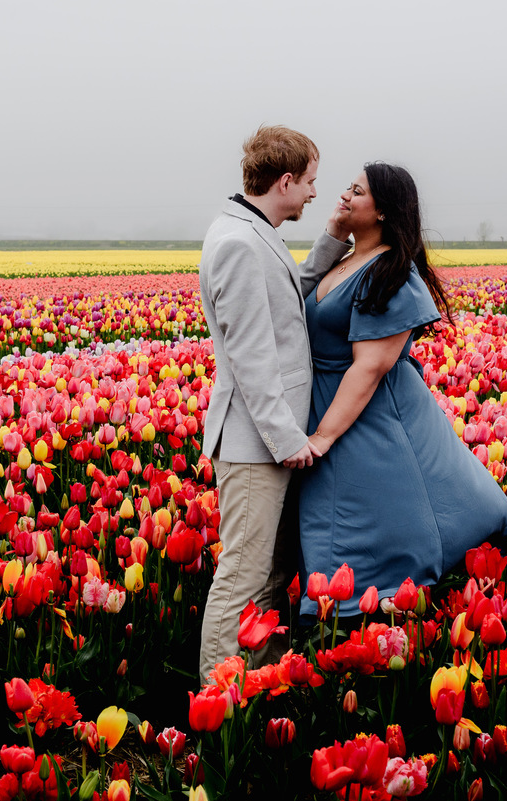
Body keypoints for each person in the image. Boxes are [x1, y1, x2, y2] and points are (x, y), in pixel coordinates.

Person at [298, 162, 507, 617]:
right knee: (345, 507)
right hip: (327, 402)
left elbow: (370, 367)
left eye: (357, 191)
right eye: (348, 187)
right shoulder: (347, 260)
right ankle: (340, 599)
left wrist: (323, 435)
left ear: (383, 211)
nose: (344, 195)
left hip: (367, 411)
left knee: (381, 507)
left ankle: (370, 604)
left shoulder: (391, 275)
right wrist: (333, 233)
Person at [197, 126, 351, 683]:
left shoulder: (251, 230)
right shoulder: (239, 243)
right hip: (255, 444)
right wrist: (287, 441)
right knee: (242, 576)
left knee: (267, 577)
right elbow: (252, 358)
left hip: (265, 441)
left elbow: (287, 294)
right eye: (309, 181)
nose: (314, 192)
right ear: (285, 181)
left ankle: (254, 686)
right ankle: (218, 703)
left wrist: (332, 239)